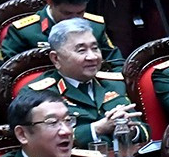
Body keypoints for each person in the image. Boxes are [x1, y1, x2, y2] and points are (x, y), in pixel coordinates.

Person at [19, 19, 145, 149]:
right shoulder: (37, 94)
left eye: (95, 48)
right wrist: (96, 129)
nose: (92, 57)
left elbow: (144, 131)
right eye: (81, 51)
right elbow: (41, 141)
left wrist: (131, 131)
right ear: (56, 58)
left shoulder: (113, 83)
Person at [0, 0, 124, 69]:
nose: (75, 19)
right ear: (50, 3)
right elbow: (8, 72)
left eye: (80, 13)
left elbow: (116, 62)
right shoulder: (24, 31)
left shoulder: (96, 26)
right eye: (67, 13)